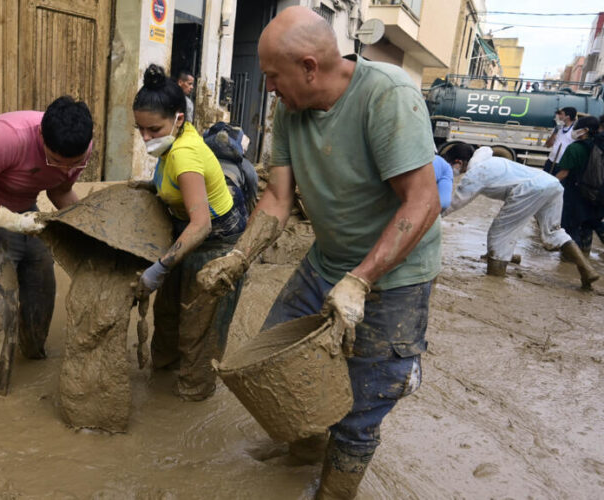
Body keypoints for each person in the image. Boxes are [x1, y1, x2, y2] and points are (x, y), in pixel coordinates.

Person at [197, 7, 441, 498]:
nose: (268, 87)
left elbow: (424, 201)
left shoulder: (386, 96)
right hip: (325, 261)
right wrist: (239, 256)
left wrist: (361, 280)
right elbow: (278, 198)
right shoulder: (290, 108)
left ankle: (334, 491)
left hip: (393, 277)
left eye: (272, 76)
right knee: (277, 358)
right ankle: (303, 450)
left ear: (309, 66)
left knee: (362, 404)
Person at [0, 97, 93, 397]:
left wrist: (88, 228)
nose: (66, 169)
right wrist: (8, 220)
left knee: (42, 288)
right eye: (56, 161)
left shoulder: (79, 145)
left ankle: (33, 355)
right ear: (41, 138)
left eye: (73, 164)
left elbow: (60, 189)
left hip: (24, 209)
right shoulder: (7, 137)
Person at [132, 64, 248, 401]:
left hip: (216, 242)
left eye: (154, 129)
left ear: (178, 119)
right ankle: (162, 383)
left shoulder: (184, 154)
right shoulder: (173, 143)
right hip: (187, 231)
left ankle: (191, 394)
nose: (146, 138)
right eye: (140, 129)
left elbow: (202, 225)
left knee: (199, 329)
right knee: (167, 314)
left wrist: (158, 267)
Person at [443, 145, 598, 288]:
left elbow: (454, 204)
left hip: (530, 189)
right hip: (551, 184)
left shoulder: (475, 173)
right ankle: (586, 270)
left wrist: (429, 216)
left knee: (500, 233)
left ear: (459, 162)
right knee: (554, 231)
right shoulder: (492, 161)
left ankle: (495, 281)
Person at [556, 115, 604, 256]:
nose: (575, 130)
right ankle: (585, 254)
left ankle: (573, 260)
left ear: (585, 130)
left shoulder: (575, 148)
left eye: (577, 127)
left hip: (575, 194)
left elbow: (563, 173)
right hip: (596, 193)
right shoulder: (598, 145)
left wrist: (545, 184)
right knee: (588, 225)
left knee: (570, 227)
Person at [543, 107, 577, 175]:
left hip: (563, 164)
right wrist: (555, 132)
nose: (559, 116)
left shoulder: (575, 130)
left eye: (561, 114)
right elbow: (548, 145)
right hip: (551, 161)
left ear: (568, 117)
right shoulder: (559, 128)